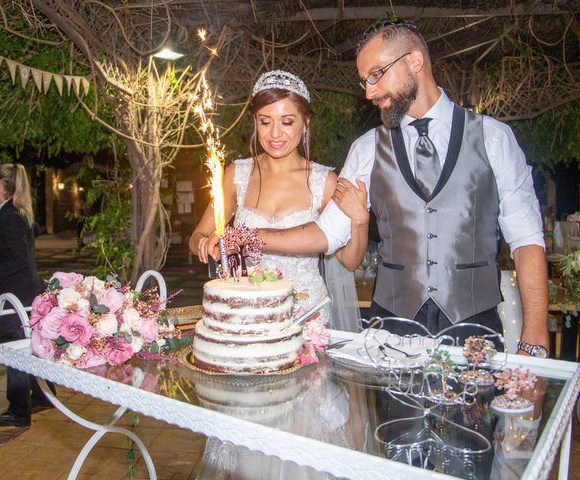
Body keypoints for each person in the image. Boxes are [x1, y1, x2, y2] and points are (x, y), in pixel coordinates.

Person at [205, 20, 549, 355]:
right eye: (364, 81)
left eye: (376, 75)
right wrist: (249, 236)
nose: (369, 91)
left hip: (476, 330)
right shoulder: (366, 148)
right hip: (392, 331)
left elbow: (527, 241)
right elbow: (325, 235)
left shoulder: (494, 137)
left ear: (414, 61)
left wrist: (534, 339)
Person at [190, 69, 363, 331]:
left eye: (287, 122)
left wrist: (361, 221)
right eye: (265, 121)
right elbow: (198, 235)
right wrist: (205, 244)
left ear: (305, 123)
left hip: (306, 315)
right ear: (255, 122)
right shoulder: (237, 174)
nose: (275, 134)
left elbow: (350, 259)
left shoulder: (324, 182)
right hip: (247, 313)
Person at [0, 163, 54, 427]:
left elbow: (18, 259)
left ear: (2, 185)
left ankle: (19, 410)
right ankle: (45, 394)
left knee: (14, 347)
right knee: (30, 345)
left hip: (17, 296)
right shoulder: (8, 212)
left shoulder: (11, 216)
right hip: (22, 293)